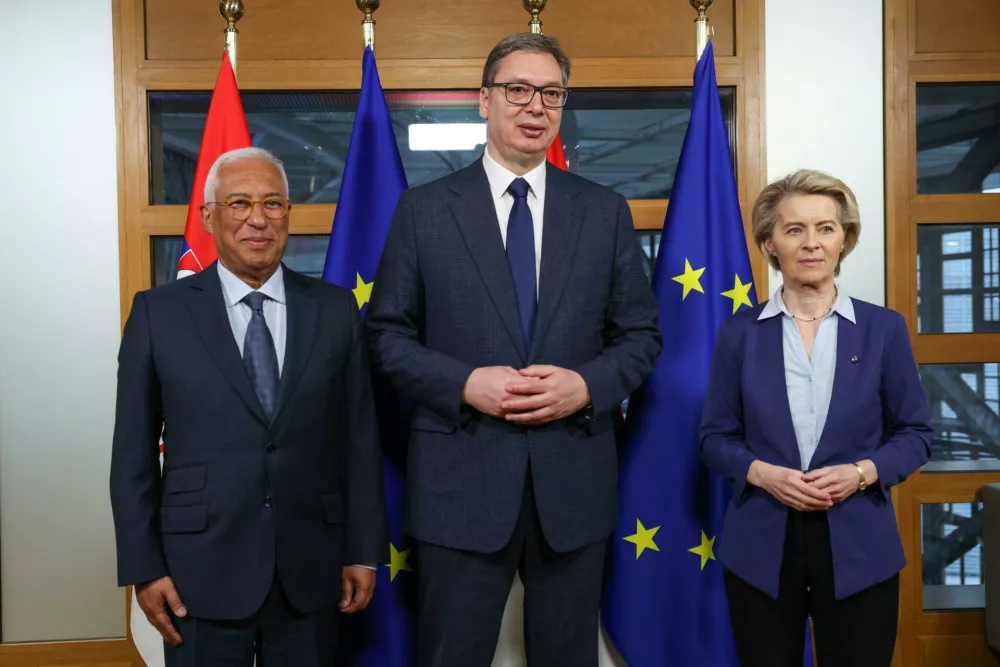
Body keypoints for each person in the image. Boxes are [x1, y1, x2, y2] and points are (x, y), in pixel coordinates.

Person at [365, 32, 661, 667]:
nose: (535, 106)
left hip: (572, 485)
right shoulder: (423, 212)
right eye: (518, 90)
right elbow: (385, 337)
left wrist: (585, 387)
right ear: (484, 100)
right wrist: (465, 383)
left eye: (550, 93)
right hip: (460, 484)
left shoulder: (603, 212)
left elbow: (641, 337)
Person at [110, 147, 389, 666]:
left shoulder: (334, 310)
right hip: (197, 570)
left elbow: (358, 438)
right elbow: (133, 456)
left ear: (288, 214)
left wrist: (363, 550)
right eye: (238, 203)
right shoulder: (158, 313)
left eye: (273, 203)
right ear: (208, 216)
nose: (258, 219)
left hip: (311, 567)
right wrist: (143, 568)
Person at [699, 169, 933, 666]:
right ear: (769, 243)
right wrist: (763, 474)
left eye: (826, 228)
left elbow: (915, 434)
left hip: (859, 547)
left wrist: (859, 473)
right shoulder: (738, 334)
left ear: (844, 239)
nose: (812, 243)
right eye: (795, 229)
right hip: (761, 546)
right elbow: (714, 439)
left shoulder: (883, 329)